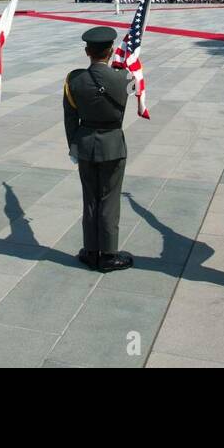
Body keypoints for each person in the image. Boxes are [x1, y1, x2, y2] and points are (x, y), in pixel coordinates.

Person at [63, 26, 132, 272]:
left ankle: (91, 250)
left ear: (86, 51)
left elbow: (70, 118)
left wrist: (73, 145)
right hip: (112, 143)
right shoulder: (124, 78)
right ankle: (109, 254)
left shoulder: (74, 80)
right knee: (109, 200)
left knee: (90, 199)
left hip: (85, 144)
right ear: (111, 51)